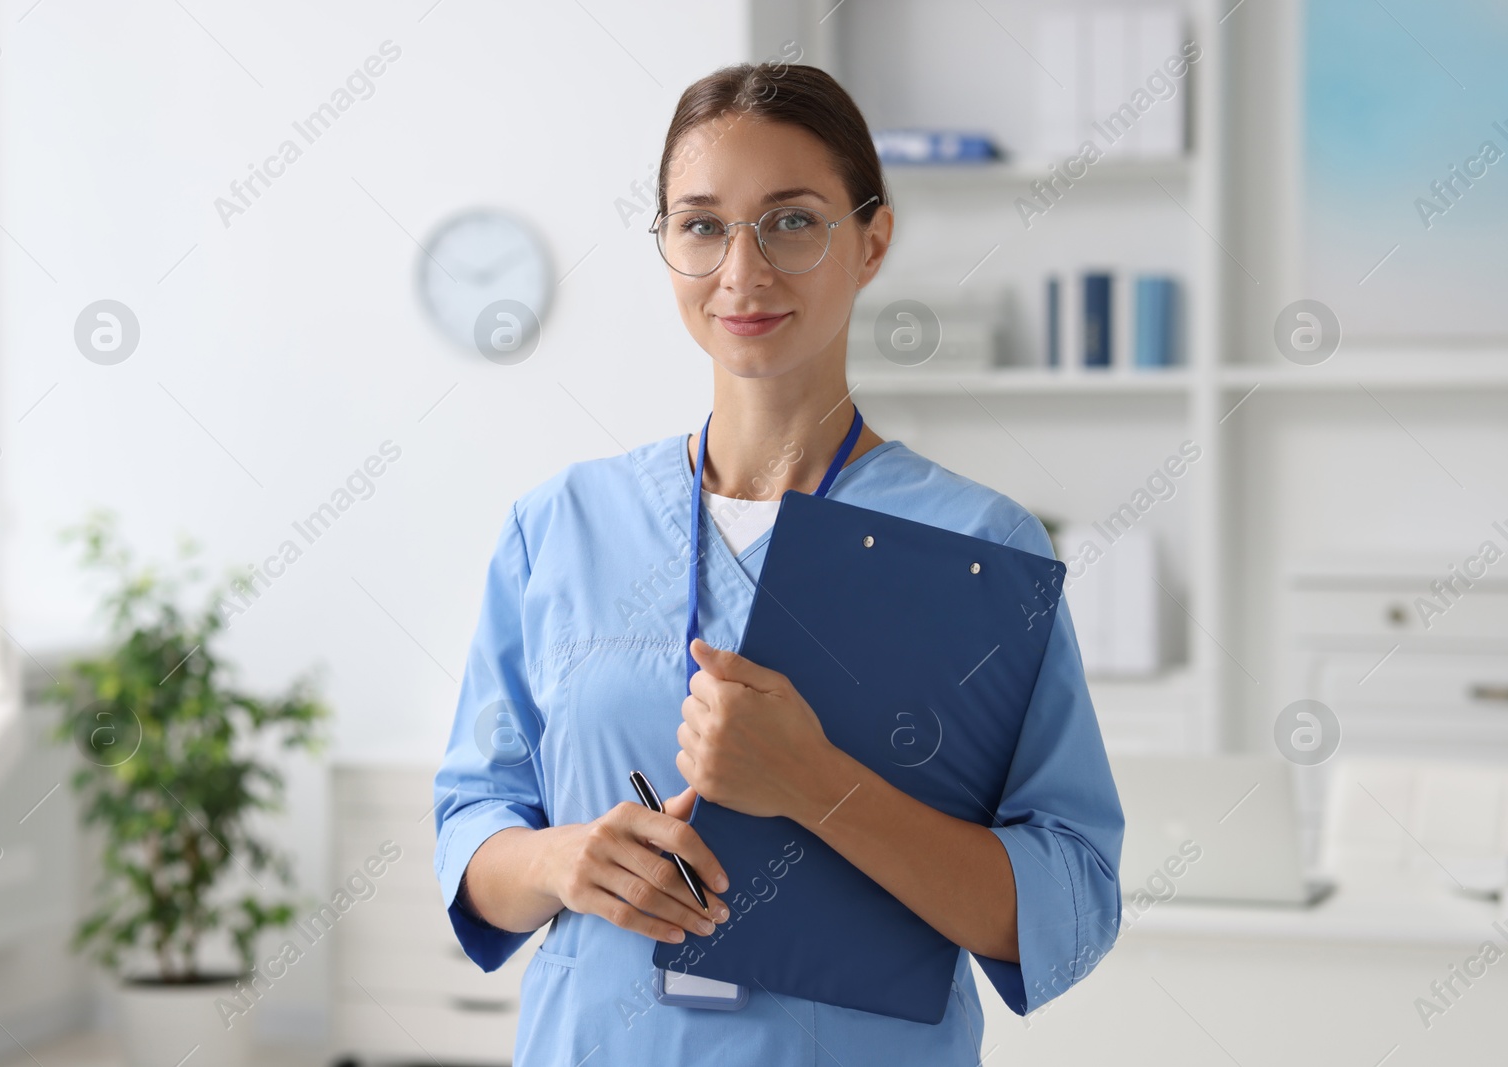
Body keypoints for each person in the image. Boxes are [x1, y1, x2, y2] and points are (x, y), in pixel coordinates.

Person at [432, 61, 1123, 1064]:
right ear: (666, 243)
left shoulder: (979, 548)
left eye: (792, 221)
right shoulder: (560, 524)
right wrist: (562, 857)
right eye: (701, 224)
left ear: (871, 241)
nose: (742, 272)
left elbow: (1073, 897)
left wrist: (813, 781)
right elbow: (473, 826)